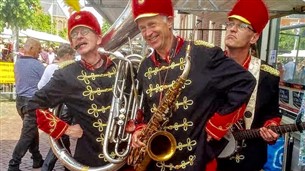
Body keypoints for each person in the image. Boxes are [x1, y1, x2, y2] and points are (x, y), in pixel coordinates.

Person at [128, 0, 256, 170]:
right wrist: (141, 129)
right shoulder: (144, 66)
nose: (148, 33)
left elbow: (245, 82)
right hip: (158, 162)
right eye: (142, 28)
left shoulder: (204, 54)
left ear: (170, 21)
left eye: (152, 24)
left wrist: (217, 124)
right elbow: (145, 107)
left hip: (196, 160)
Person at [15, 11, 130, 170]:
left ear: (98, 38)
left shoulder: (122, 67)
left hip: (127, 156)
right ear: (72, 44)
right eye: (74, 34)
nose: (79, 36)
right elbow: (33, 106)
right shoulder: (66, 74)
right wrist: (65, 129)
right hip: (90, 160)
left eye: (85, 31)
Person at [216, 0, 282, 171]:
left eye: (241, 25)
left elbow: (272, 114)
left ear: (254, 37)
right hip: (210, 157)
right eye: (231, 23)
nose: (232, 29)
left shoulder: (268, 75)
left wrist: (271, 128)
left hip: (249, 161)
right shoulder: (209, 67)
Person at [8, 38, 45, 171]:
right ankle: (13, 164)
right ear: (30, 48)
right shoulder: (38, 66)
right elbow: (46, 82)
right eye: (38, 49)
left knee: (31, 131)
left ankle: (37, 158)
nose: (40, 52)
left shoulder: (18, 63)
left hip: (20, 102)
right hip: (32, 103)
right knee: (27, 135)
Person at [38, 44, 75, 171]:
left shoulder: (49, 67)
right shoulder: (69, 69)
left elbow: (40, 86)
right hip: (65, 109)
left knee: (62, 139)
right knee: (60, 139)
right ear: (68, 56)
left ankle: (68, 166)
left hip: (54, 108)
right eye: (73, 56)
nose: (74, 58)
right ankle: (46, 167)